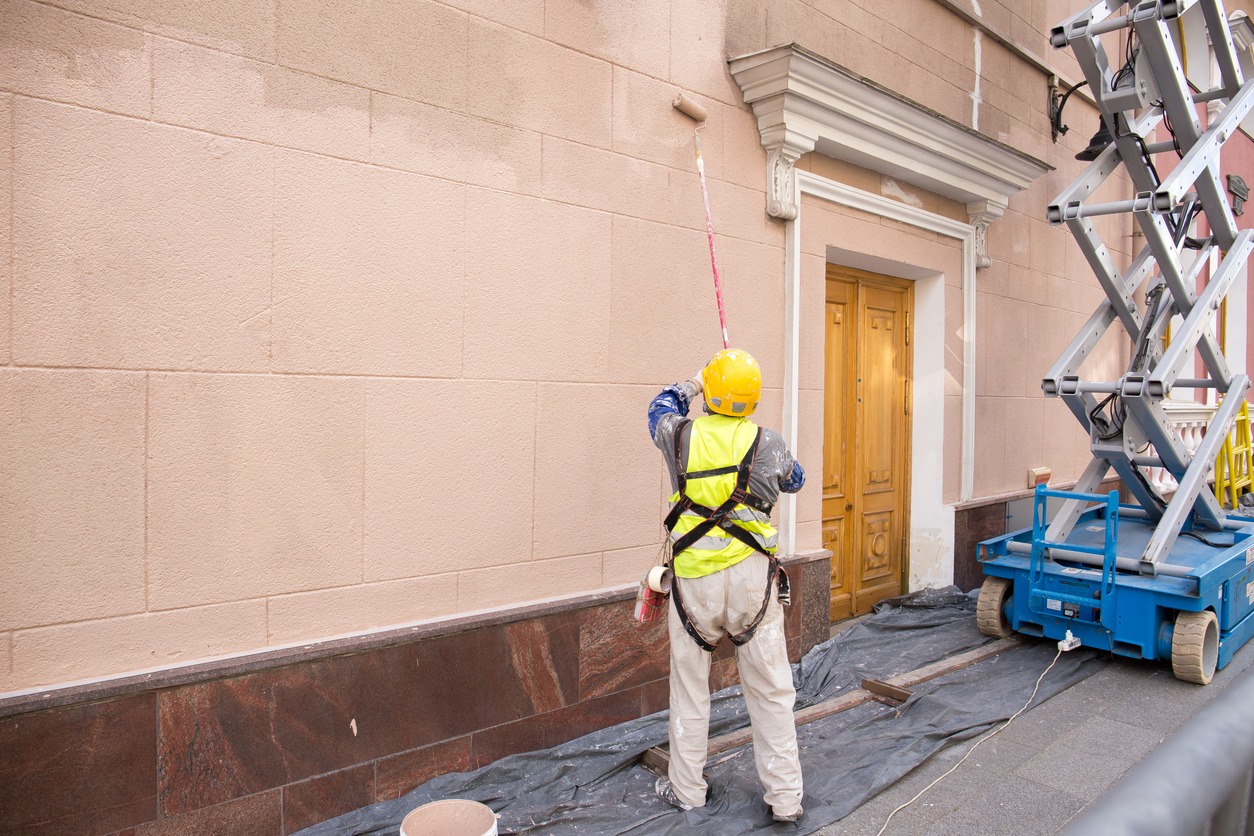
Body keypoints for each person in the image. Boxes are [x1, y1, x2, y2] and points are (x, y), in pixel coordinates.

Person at [646, 347, 806, 824]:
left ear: (711, 393)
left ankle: (687, 790)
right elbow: (794, 480)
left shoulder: (679, 436)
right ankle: (786, 800)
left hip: (694, 583)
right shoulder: (768, 442)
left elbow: (659, 405)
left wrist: (693, 382)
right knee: (772, 690)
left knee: (691, 688)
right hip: (752, 583)